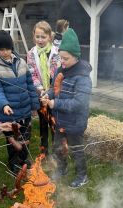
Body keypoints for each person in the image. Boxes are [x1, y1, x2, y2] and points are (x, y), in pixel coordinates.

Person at [41, 28, 92, 188]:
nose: (62, 61)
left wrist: (55, 104)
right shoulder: (60, 70)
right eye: (60, 57)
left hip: (75, 123)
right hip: (60, 120)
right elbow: (54, 89)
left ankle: (82, 176)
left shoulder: (83, 78)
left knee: (76, 150)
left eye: (66, 58)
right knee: (58, 148)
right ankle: (62, 169)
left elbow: (79, 103)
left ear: (76, 57)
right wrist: (48, 95)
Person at [0, 30, 39, 173]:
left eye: (7, 49)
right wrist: (4, 104)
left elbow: (30, 85)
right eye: (1, 49)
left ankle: (23, 159)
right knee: (13, 141)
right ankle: (14, 163)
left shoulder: (21, 62)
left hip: (25, 111)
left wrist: (34, 104)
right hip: (9, 114)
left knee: (25, 138)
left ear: (12, 47)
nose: (5, 52)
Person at [27, 21, 60, 156]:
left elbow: (56, 73)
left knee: (54, 121)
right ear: (34, 36)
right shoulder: (31, 53)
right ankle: (44, 150)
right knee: (43, 122)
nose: (40, 40)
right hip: (40, 93)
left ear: (49, 37)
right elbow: (32, 73)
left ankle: (56, 148)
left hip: (54, 93)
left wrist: (50, 90)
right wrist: (40, 89)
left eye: (43, 37)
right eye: (37, 36)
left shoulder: (56, 52)